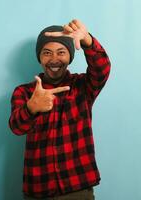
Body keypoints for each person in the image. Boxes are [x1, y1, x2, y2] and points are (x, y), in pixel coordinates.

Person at [9, 19, 111, 200]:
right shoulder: (24, 92)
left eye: (61, 52)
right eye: (47, 53)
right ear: (39, 57)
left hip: (77, 187)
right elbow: (16, 127)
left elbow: (102, 68)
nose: (54, 59)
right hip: (38, 189)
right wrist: (31, 108)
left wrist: (87, 39)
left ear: (70, 57)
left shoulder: (83, 86)